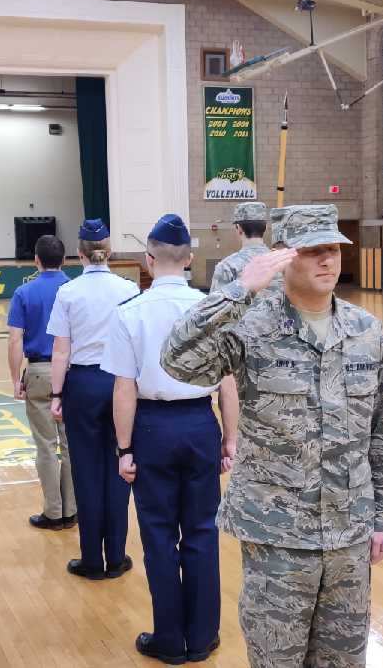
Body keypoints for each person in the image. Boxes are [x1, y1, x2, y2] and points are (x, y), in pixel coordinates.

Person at [162, 204, 383, 667]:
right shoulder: (251, 326)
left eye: (332, 249)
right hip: (277, 535)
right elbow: (177, 360)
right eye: (312, 251)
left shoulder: (366, 331)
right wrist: (237, 291)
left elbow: (382, 430)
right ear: (283, 256)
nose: (327, 261)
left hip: (349, 535)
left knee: (344, 661)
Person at [103, 214, 238, 665]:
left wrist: (124, 450)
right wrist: (230, 440)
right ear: (190, 260)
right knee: (202, 531)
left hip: (152, 429)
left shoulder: (130, 313)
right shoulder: (211, 309)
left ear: (148, 260)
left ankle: (169, 640)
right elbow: (228, 383)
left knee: (159, 535)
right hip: (200, 424)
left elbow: (124, 388)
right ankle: (202, 637)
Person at [48, 219, 139, 580]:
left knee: (85, 472)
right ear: (109, 250)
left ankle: (91, 559)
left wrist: (57, 393)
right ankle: (116, 555)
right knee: (120, 467)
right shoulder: (129, 288)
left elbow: (60, 350)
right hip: (121, 381)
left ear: (80, 253)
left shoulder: (68, 293)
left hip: (82, 384)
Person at [7, 234, 76, 531]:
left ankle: (53, 512)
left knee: (46, 446)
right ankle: (73, 509)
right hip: (73, 372)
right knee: (72, 446)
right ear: (64, 259)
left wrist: (14, 379)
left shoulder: (24, 292)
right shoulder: (75, 290)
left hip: (38, 370)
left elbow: (15, 339)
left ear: (36, 260)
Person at [209, 201, 280, 295]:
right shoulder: (281, 262)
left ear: (239, 228)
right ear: (266, 227)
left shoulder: (227, 267)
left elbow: (214, 306)